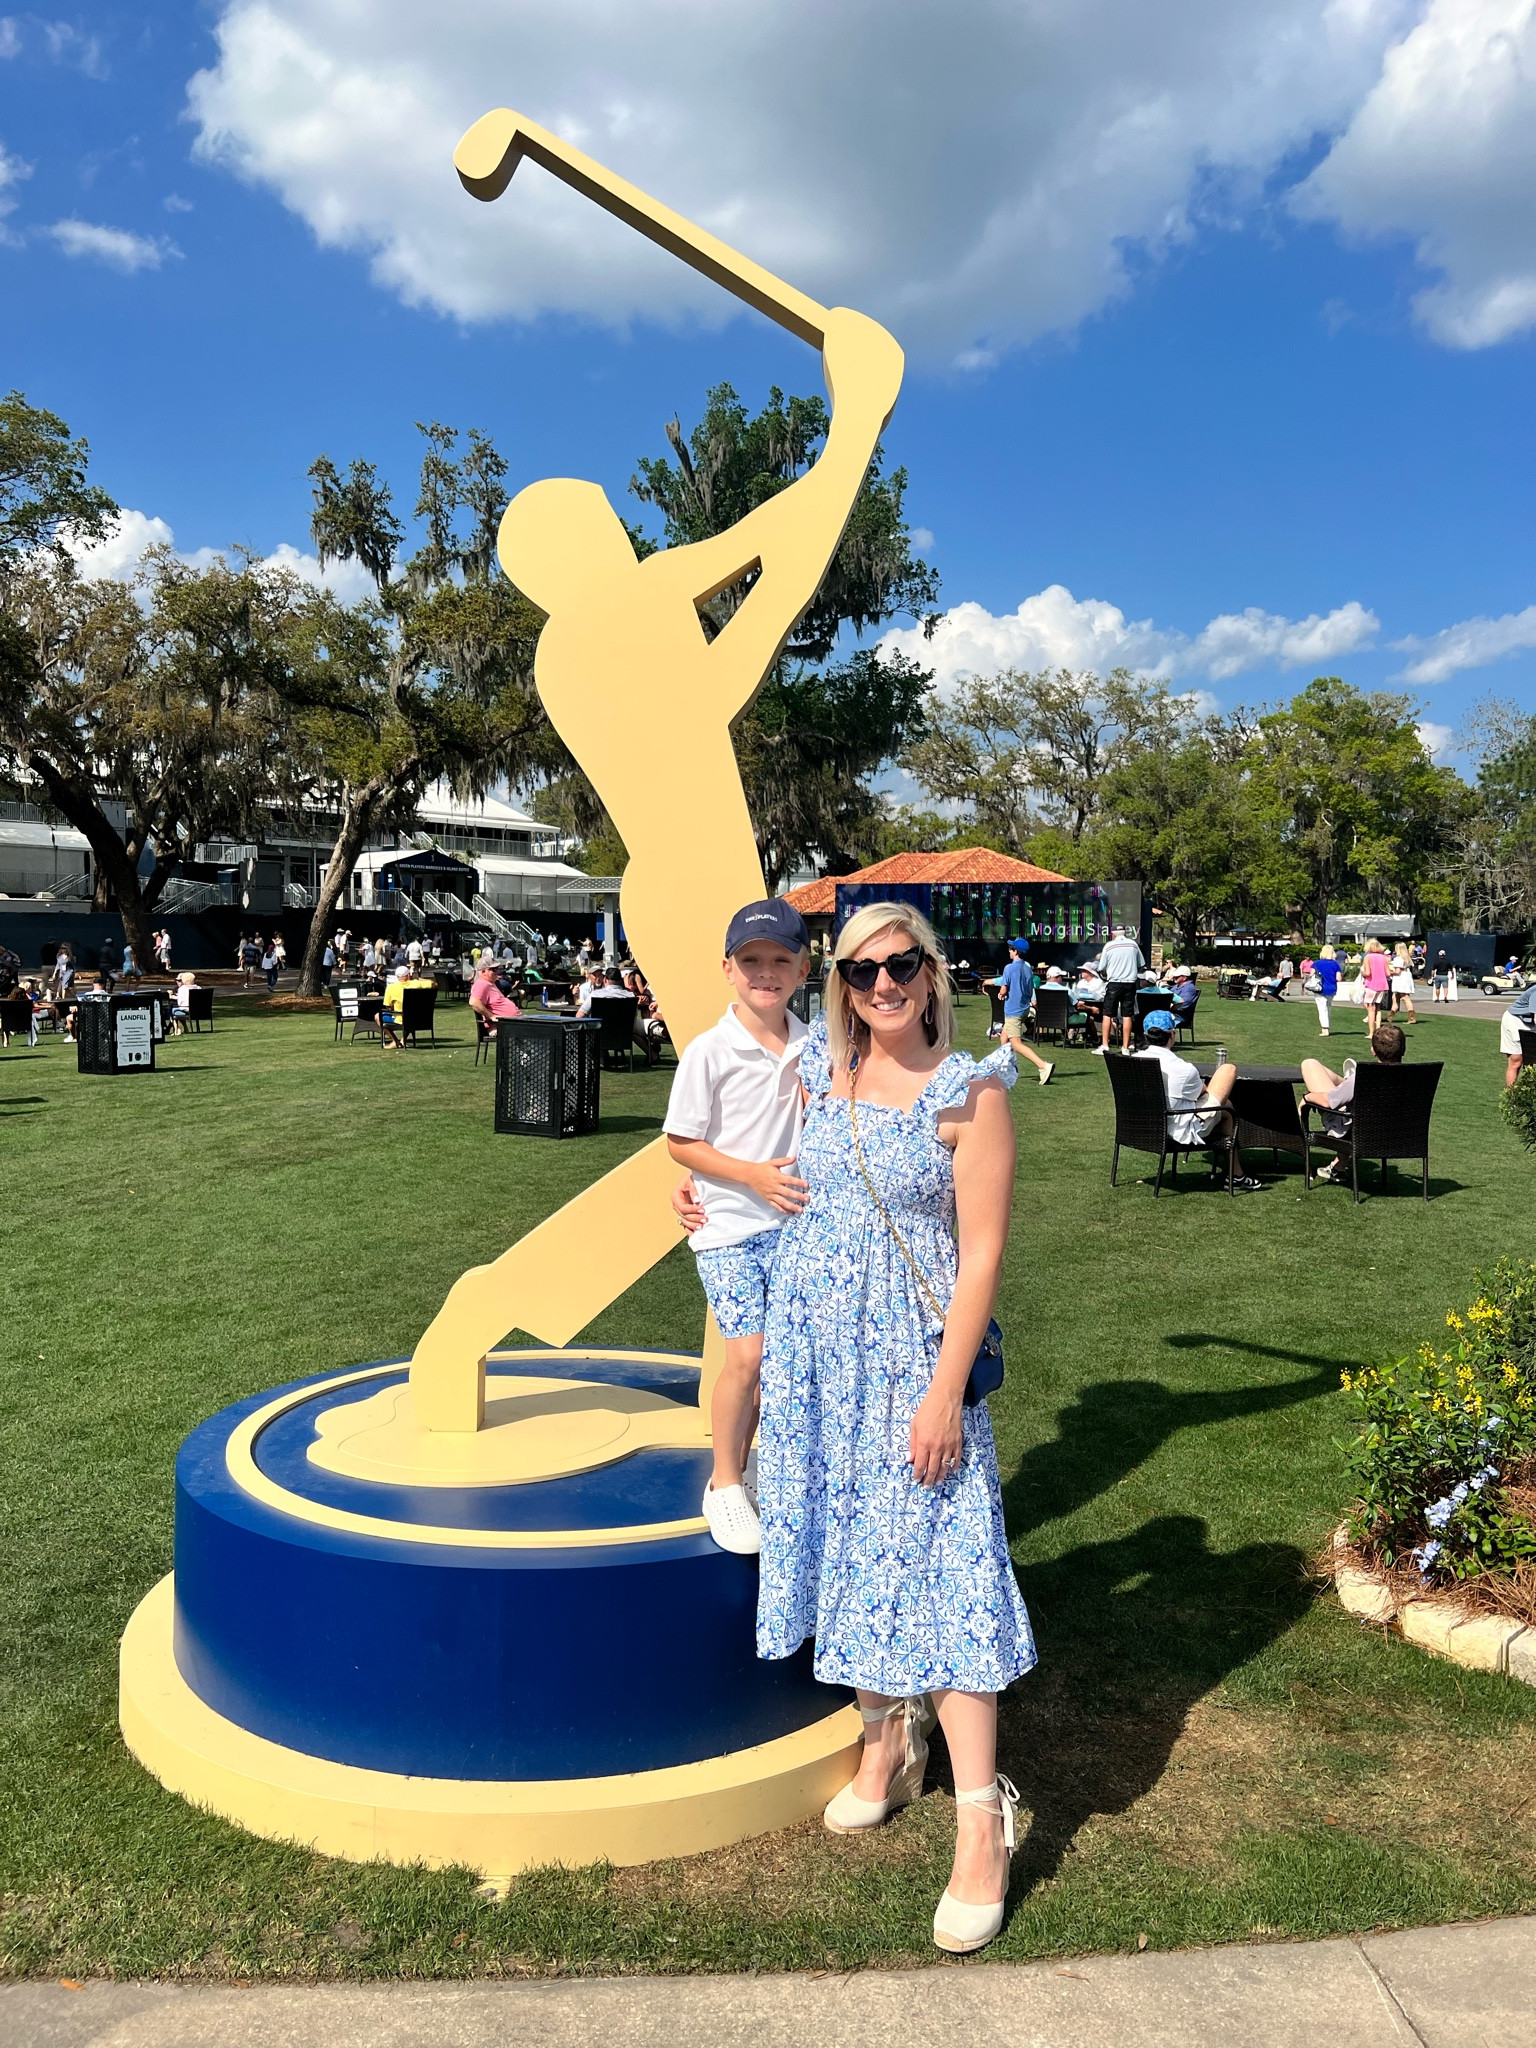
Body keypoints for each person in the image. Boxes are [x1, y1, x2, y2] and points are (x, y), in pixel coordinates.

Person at [750, 902, 1033, 1954]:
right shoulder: (820, 1075)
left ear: (930, 971)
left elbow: (983, 1255)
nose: (883, 984)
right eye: (863, 969)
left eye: (901, 964)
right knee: (849, 1555)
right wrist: (715, 1199)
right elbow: (797, 1194)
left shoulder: (970, 1093)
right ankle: (884, 1743)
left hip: (910, 1364)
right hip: (820, 1362)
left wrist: (943, 1389)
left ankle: (980, 1820)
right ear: (841, 982)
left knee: (948, 1569)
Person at [664, 899, 812, 1556]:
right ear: (728, 969)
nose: (766, 972)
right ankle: (724, 1482)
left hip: (798, 1230)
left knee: (784, 1365)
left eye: (781, 959)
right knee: (746, 1358)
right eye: (751, 960)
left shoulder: (821, 1045)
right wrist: (749, 1175)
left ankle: (757, 1467)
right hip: (726, 1228)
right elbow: (681, 1141)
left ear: (804, 968)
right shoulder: (708, 1051)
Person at [1134, 1010, 1263, 1192]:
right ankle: (1236, 1175)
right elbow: (1203, 1092)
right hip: (1178, 1127)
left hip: (1142, 1126)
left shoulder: (1133, 1060)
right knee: (1228, 1072)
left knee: (1226, 1108)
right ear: (1172, 1034)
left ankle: (1236, 1174)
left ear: (1146, 1036)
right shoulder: (1182, 1068)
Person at [1302, 1023, 1406, 1181]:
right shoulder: (1415, 1078)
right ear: (1403, 1049)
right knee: (1353, 1097)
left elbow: (1328, 1102)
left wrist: (1306, 1098)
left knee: (1309, 1064)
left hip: (1352, 1132)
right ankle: (1338, 1167)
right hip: (1396, 1133)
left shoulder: (1365, 1077)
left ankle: (1346, 1085)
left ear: (1373, 1051)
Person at [985, 938, 1054, 1086]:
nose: (1009, 951)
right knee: (1004, 1036)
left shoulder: (1009, 968)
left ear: (1016, 951)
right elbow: (1030, 990)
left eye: (1011, 949)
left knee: (1016, 1043)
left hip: (1013, 1010)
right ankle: (1003, 1068)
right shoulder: (1028, 969)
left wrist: (1001, 994)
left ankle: (1043, 1066)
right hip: (1024, 1008)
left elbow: (1004, 987)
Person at [1091, 926, 1146, 1055]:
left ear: (1113, 934)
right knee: (1127, 1015)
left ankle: (1105, 1045)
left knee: (1107, 1014)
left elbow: (1101, 966)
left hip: (1114, 983)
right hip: (1130, 984)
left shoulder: (1109, 946)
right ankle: (1125, 1048)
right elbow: (1140, 964)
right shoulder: (1133, 944)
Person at [1500, 980, 1536, 1090]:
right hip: (1515, 1020)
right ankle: (1512, 1100)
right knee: (1516, 1061)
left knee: (1533, 1062)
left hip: (1529, 1023)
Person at [1308, 944, 1340, 1035]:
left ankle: (1325, 1028)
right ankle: (1327, 1026)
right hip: (1332, 988)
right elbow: (1339, 978)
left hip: (1320, 988)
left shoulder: (1317, 963)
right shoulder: (1335, 964)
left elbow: (1311, 975)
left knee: (1322, 1008)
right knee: (1328, 1007)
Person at [1360, 937, 1391, 1025]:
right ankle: (1378, 1027)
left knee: (1370, 1008)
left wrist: (1362, 972)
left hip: (1371, 984)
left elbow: (1367, 973)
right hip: (1382, 984)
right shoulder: (1384, 958)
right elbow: (1388, 973)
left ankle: (1371, 1032)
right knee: (1378, 1007)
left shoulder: (1368, 957)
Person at [1390, 941, 1418, 1023]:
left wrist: (1389, 972)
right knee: (1395, 996)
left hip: (1400, 979)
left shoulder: (1398, 959)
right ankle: (1390, 1015)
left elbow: (1397, 971)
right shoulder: (1407, 958)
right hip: (1406, 978)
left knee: (1405, 998)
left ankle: (1411, 1018)